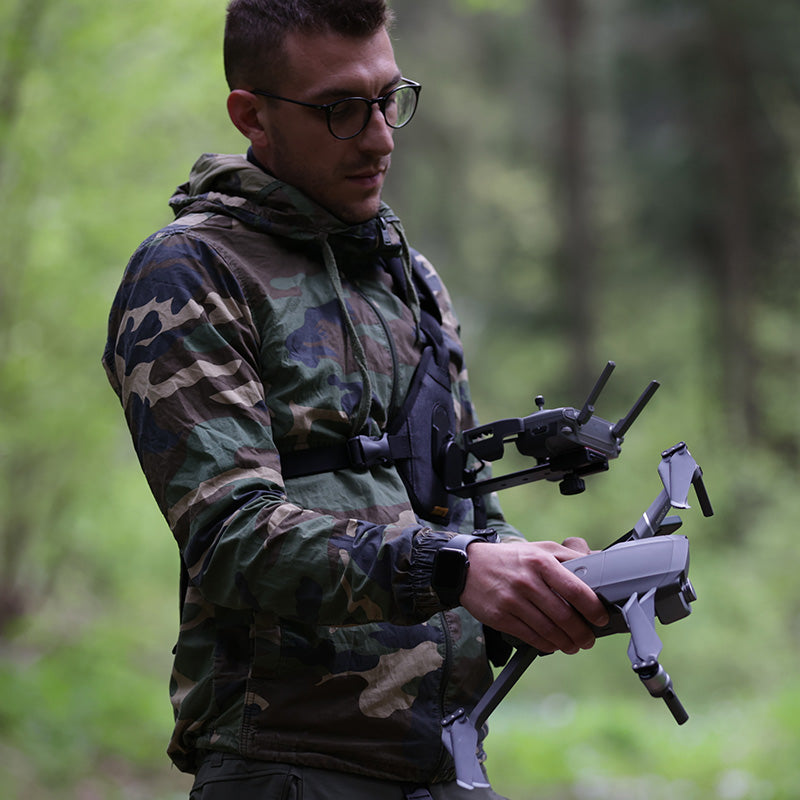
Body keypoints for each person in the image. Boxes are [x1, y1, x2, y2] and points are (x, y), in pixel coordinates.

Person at [102, 1, 609, 798]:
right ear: (253, 115)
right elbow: (230, 538)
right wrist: (456, 569)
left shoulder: (411, 281)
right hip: (284, 763)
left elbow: (458, 506)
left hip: (445, 763)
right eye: (341, 109)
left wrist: (531, 574)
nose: (380, 137)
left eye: (388, 98)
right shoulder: (191, 276)